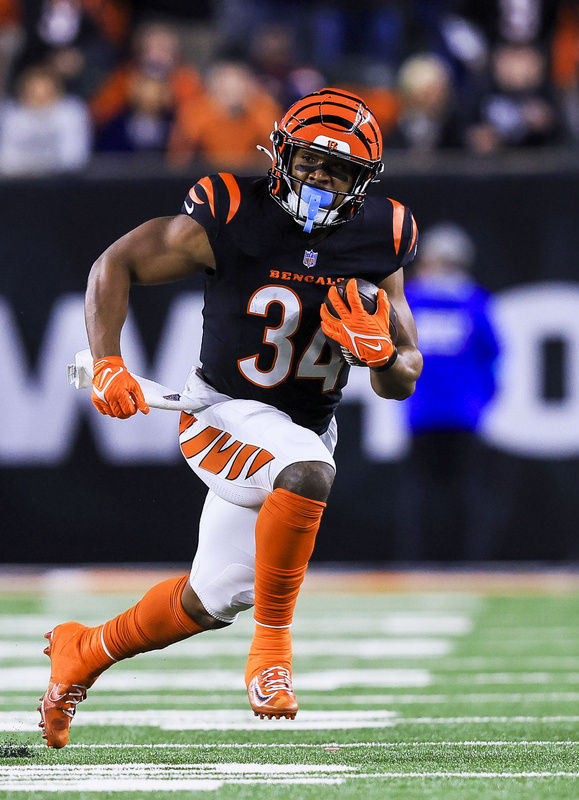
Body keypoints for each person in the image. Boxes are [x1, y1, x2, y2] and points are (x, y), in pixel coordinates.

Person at [39, 88, 422, 748]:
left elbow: (402, 377)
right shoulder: (233, 211)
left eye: (339, 171)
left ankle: (83, 652)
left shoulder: (379, 237)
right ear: (280, 157)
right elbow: (117, 262)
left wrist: (382, 354)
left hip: (299, 425)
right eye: (309, 162)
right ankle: (273, 649)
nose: (320, 180)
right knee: (307, 471)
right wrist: (107, 361)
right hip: (221, 414)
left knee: (209, 599)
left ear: (364, 184)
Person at [397, 221, 500, 561]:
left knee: (436, 492)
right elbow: (493, 355)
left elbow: (491, 353)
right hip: (448, 411)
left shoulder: (414, 298)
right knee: (447, 492)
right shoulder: (473, 301)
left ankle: (435, 559)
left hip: (433, 411)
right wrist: (482, 398)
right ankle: (460, 559)